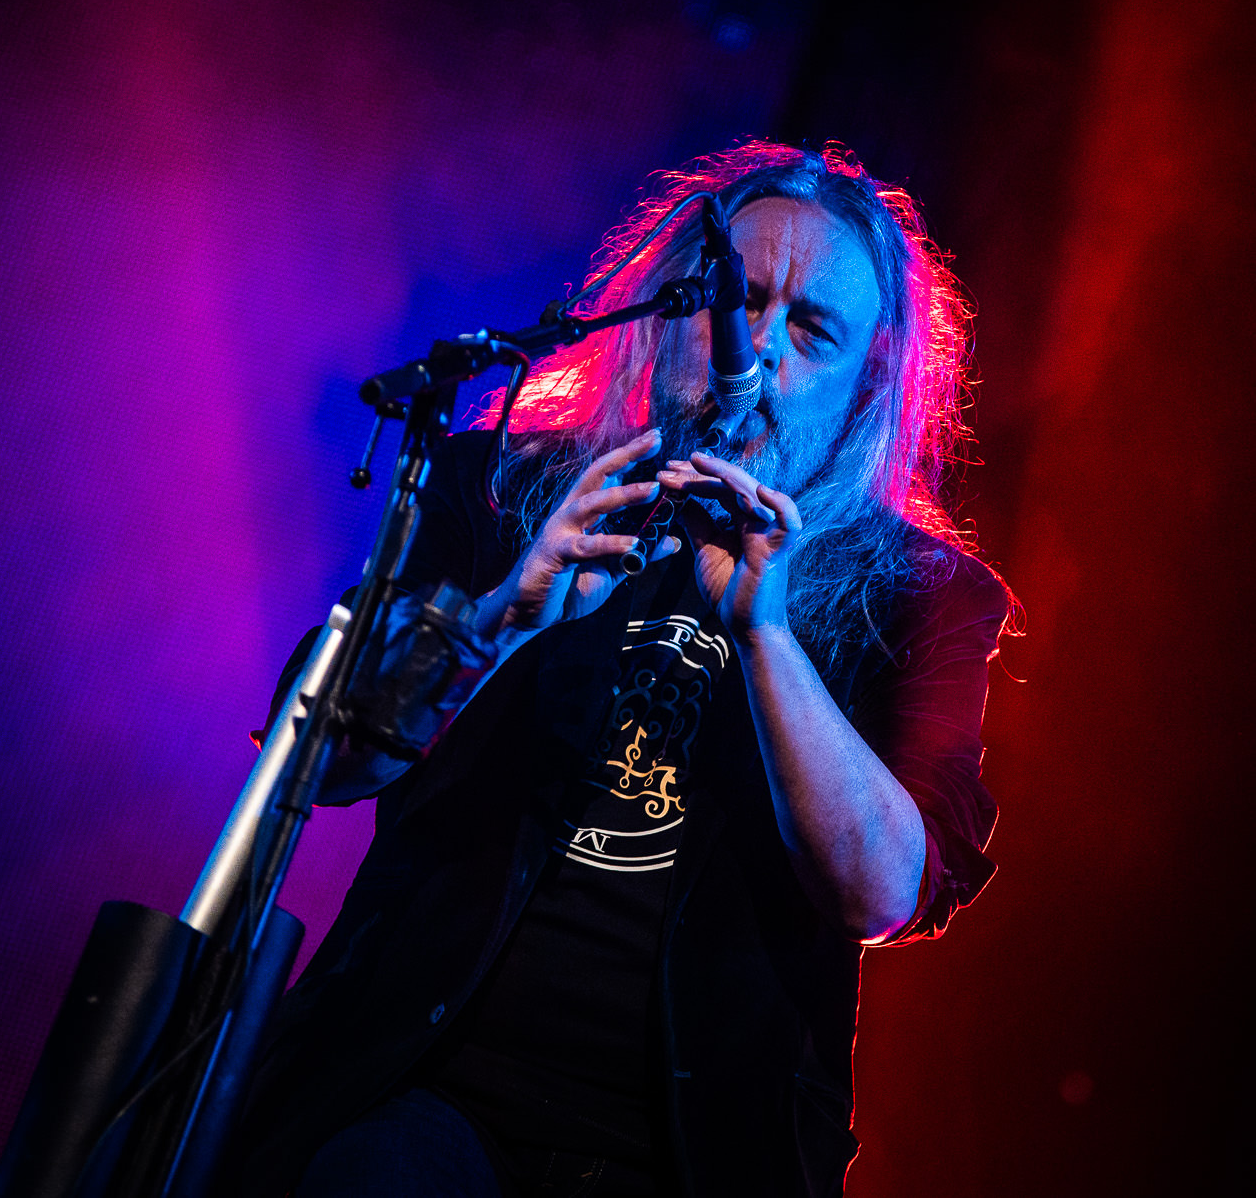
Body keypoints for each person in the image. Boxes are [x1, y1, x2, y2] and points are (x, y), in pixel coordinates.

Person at [233, 142, 1010, 1198]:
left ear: (865, 383)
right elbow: (313, 764)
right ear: (668, 311)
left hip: (694, 1156)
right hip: (416, 1098)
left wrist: (768, 637)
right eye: (733, 304)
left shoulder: (923, 594)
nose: (755, 351)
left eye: (810, 330)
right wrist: (503, 617)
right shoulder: (497, 485)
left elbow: (880, 892)